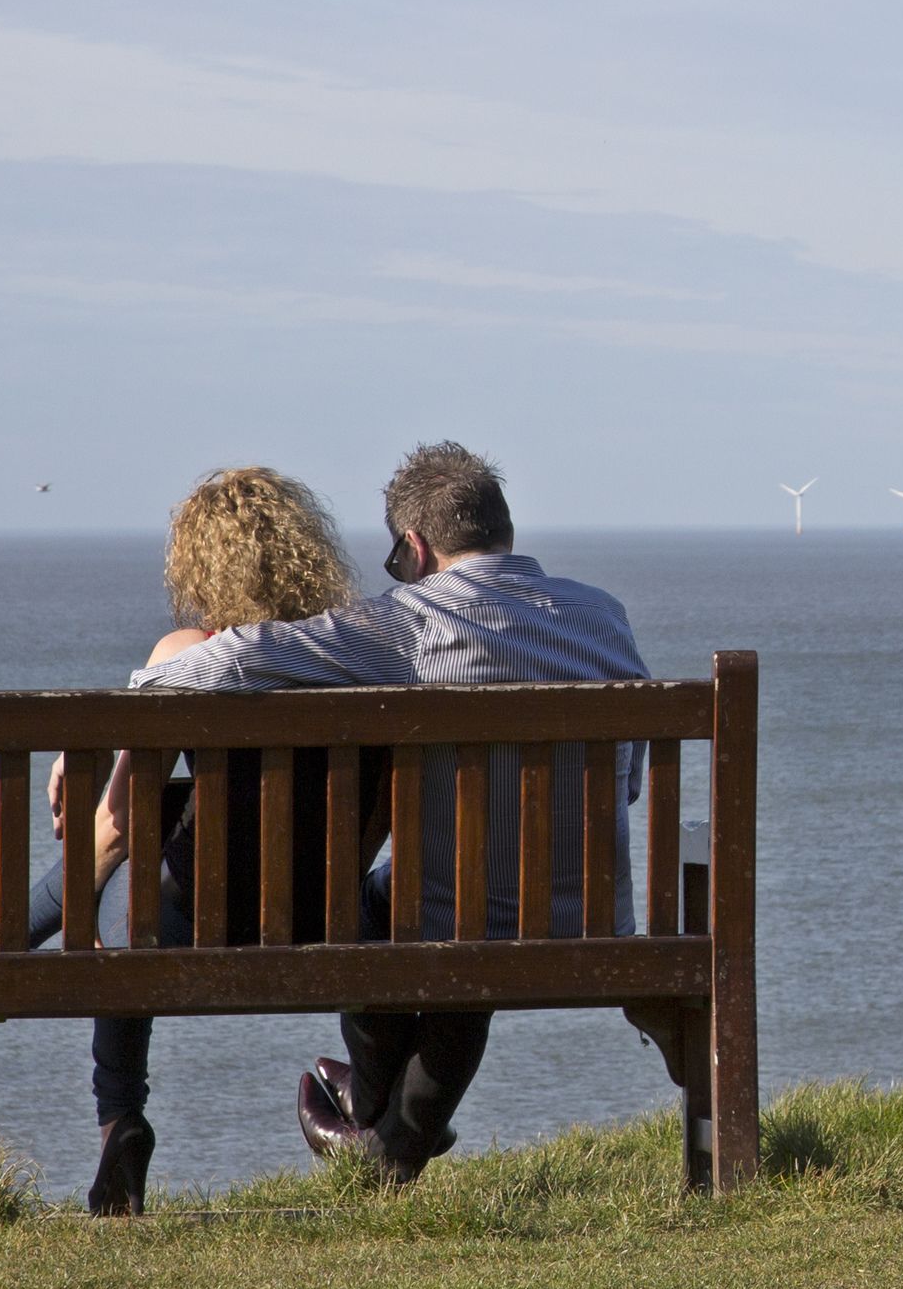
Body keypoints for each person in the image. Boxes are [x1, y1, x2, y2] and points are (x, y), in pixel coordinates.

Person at [127, 439, 653, 1185]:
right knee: (458, 915)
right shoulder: (603, 616)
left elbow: (241, 657)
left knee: (368, 905)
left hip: (454, 919)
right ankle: (384, 1140)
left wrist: (143, 685)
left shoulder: (409, 622)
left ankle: (377, 1138)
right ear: (501, 528)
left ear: (415, 545)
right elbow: (629, 783)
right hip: (593, 916)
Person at [0, 465, 355, 1215]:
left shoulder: (190, 654)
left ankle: (115, 1115)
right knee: (166, 833)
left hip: (201, 917)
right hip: (335, 911)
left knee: (126, 893)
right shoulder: (356, 649)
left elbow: (119, 824)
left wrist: (84, 761)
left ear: (200, 562)